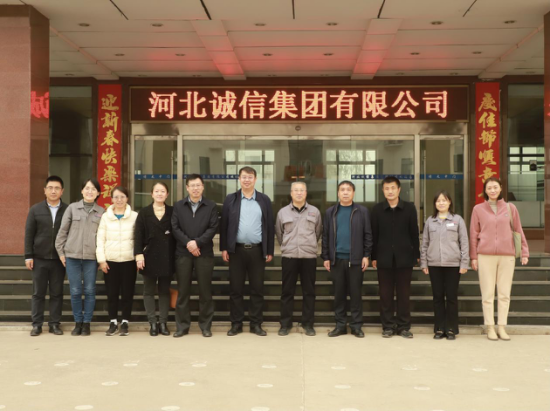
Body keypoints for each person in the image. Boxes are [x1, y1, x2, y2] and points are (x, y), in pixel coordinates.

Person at [470, 177, 529, 341]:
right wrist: (473, 256)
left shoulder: (510, 208)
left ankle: (502, 327)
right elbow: (473, 234)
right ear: (485, 190)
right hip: (485, 255)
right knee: (487, 294)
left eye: (495, 187)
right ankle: (490, 327)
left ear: (501, 188)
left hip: (507, 255)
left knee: (504, 293)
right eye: (489, 188)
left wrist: (524, 252)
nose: (493, 190)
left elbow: (518, 230)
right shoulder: (478, 209)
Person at [220, 166, 274, 337]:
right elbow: (224, 225)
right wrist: (224, 247)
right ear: (239, 179)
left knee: (257, 289)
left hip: (257, 251)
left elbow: (269, 226)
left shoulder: (264, 199)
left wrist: (269, 250)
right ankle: (236, 324)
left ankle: (255, 324)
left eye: (250, 177)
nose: (247, 180)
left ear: (255, 179)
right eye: (244, 177)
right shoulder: (231, 199)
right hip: (236, 251)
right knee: (236, 289)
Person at [371, 176, 420, 339]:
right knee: (385, 295)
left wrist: (416, 255)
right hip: (383, 258)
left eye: (393, 188)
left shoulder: (409, 208)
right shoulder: (377, 210)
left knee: (403, 294)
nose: (390, 191)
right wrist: (373, 256)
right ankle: (388, 326)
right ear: (383, 191)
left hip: (404, 258)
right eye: (387, 188)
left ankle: (404, 326)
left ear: (399, 190)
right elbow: (374, 234)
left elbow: (414, 233)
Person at [321, 181, 372, 338]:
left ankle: (356, 326)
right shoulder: (330, 212)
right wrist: (326, 257)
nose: (345, 192)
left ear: (353, 193)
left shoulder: (362, 211)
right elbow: (325, 235)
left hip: (355, 260)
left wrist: (366, 255)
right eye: (342, 190)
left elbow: (368, 234)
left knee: (356, 295)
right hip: (336, 260)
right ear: (338, 193)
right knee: (339, 295)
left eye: (348, 190)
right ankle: (340, 325)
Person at [171, 174, 219, 338]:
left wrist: (197, 243)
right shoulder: (179, 206)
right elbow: (175, 227)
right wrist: (189, 244)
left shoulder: (211, 206)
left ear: (203, 187)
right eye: (192, 185)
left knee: (205, 292)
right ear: (187, 188)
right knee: (183, 291)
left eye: (198, 185)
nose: (195, 188)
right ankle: (182, 326)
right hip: (183, 254)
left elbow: (213, 228)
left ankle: (205, 326)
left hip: (204, 254)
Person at [56, 178, 105, 336]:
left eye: (93, 189)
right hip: (72, 256)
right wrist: (61, 253)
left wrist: (101, 257)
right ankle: (78, 322)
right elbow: (62, 232)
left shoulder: (102, 212)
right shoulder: (72, 208)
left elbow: (104, 237)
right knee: (75, 290)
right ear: (82, 191)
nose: (90, 191)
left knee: (90, 290)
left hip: (92, 258)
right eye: (87, 188)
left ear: (98, 193)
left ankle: (87, 323)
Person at [420, 190, 469, 340]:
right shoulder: (430, 221)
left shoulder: (457, 220)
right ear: (435, 203)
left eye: (444, 200)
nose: (441, 203)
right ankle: (440, 328)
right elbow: (424, 243)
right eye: (438, 201)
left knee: (452, 297)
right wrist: (424, 262)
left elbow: (464, 242)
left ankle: (451, 328)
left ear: (449, 202)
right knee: (438, 297)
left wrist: (464, 263)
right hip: (434, 264)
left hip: (453, 264)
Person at [275, 181, 322, 336]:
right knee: (287, 292)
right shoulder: (282, 212)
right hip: (289, 257)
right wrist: (288, 246)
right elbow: (279, 234)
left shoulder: (315, 212)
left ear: (306, 193)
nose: (299, 193)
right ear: (291, 193)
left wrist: (309, 245)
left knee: (309, 292)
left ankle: (308, 324)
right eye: (296, 190)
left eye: (302, 190)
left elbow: (318, 232)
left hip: (308, 257)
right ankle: (285, 324)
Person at [25, 176, 68, 337]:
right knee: (38, 293)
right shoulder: (35, 210)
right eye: (50, 188)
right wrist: (28, 256)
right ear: (45, 190)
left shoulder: (68, 210)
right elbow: (29, 234)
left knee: (57, 293)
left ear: (62, 191)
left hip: (59, 259)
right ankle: (37, 324)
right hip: (39, 258)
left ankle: (54, 324)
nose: (53, 191)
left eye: (57, 188)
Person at [134, 182, 175, 337]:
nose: (159, 194)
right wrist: (138, 255)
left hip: (167, 256)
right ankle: (152, 322)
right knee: (149, 291)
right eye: (156, 191)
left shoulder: (172, 212)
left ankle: (163, 323)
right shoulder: (144, 212)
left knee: (164, 291)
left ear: (167, 194)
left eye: (162, 191)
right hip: (148, 256)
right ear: (151, 194)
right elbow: (138, 236)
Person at [96, 186, 138, 336]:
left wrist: (138, 257)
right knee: (112, 294)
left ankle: (125, 322)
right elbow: (100, 239)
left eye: (122, 197)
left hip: (129, 261)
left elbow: (139, 239)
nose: (119, 200)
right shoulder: (105, 217)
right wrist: (101, 260)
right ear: (111, 199)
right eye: (116, 197)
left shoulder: (134, 216)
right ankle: (113, 322)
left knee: (127, 293)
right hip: (110, 261)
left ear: (127, 198)